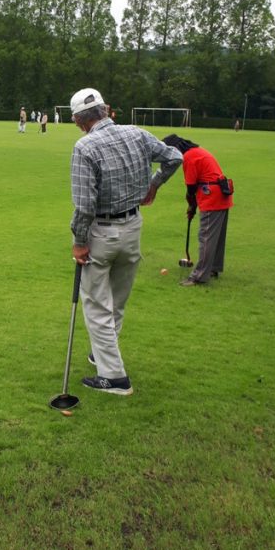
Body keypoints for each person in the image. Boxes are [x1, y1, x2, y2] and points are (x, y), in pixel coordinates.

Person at [69, 87, 182, 395]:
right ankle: (103, 354)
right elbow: (175, 156)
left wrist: (79, 241)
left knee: (96, 305)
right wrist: (154, 184)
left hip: (102, 233)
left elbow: (84, 205)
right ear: (105, 110)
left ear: (79, 120)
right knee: (116, 300)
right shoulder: (136, 133)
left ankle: (114, 378)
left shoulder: (84, 147)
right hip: (133, 228)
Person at [163, 134, 234, 287]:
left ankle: (199, 276)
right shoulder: (196, 152)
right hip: (221, 194)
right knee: (217, 237)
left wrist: (191, 205)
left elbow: (191, 187)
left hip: (212, 196)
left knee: (206, 237)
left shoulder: (189, 157)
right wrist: (193, 206)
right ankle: (213, 268)